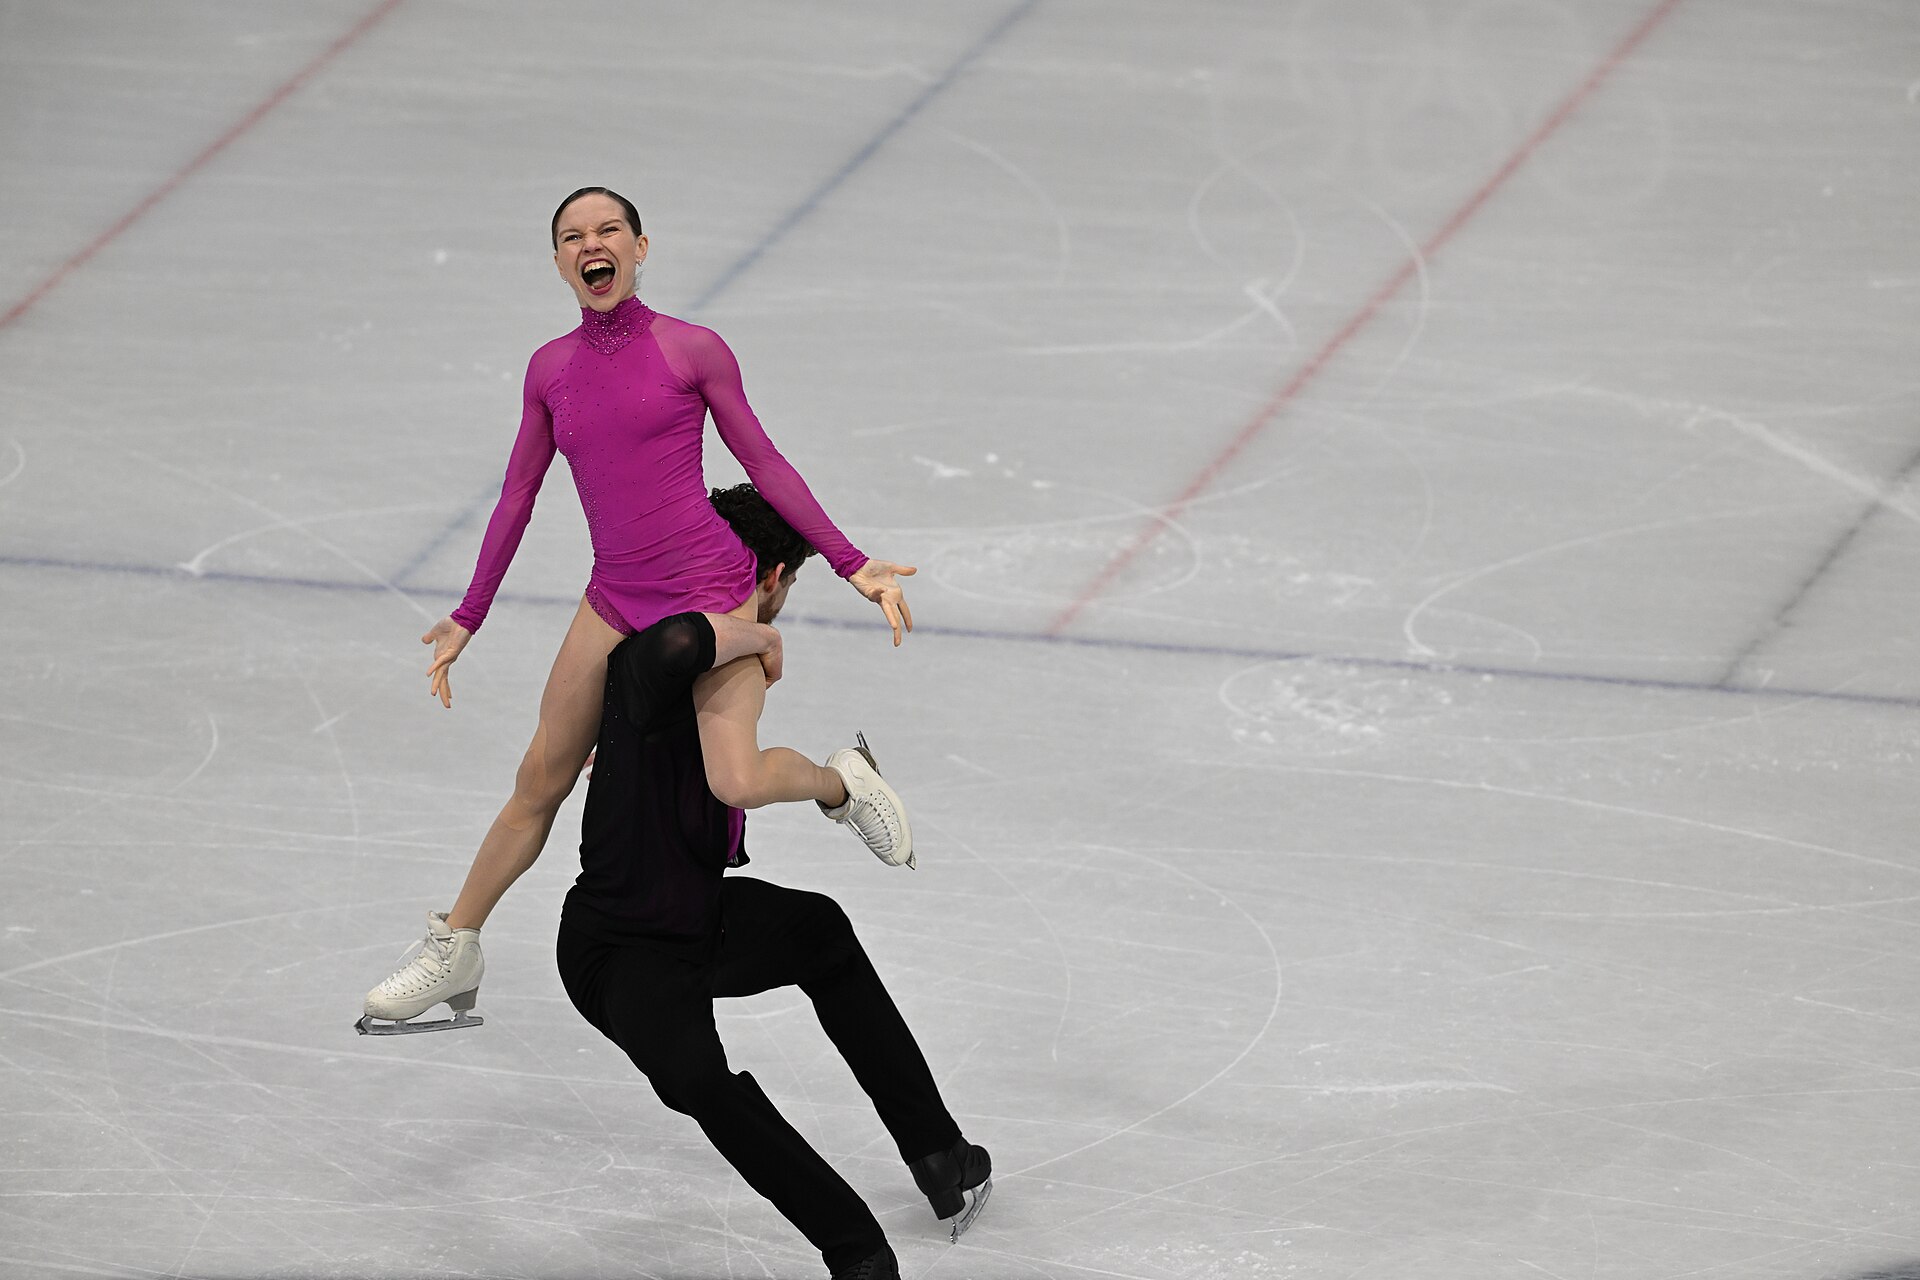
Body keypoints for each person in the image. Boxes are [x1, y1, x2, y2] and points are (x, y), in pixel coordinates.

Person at [371, 486, 991, 1280]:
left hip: (703, 919)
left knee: (820, 934)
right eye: (788, 588)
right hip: (617, 951)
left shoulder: (725, 669)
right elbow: (674, 657)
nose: (782, 611)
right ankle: (858, 1251)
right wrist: (822, 766)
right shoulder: (642, 656)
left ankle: (941, 1156)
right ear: (767, 575)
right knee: (699, 1077)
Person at [387, 186, 916, 964]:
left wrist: (850, 563)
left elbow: (763, 462)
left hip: (710, 588)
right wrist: (470, 614)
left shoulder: (692, 349)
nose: (590, 244)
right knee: (541, 777)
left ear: (640, 247)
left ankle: (842, 784)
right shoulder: (549, 371)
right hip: (615, 595)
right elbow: (517, 496)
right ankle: (455, 944)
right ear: (559, 260)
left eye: (608, 230)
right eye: (572, 236)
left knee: (733, 779)